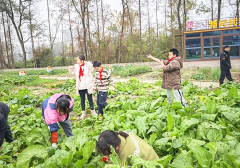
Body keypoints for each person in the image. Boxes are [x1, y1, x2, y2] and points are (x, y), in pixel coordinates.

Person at [69, 55, 97, 119]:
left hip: (88, 85)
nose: (77, 61)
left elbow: (92, 69)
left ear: (82, 60)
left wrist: (88, 63)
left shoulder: (87, 65)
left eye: (78, 60)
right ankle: (83, 113)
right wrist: (71, 68)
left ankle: (93, 111)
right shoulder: (76, 66)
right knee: (82, 99)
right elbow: (72, 73)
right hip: (80, 85)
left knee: (90, 98)